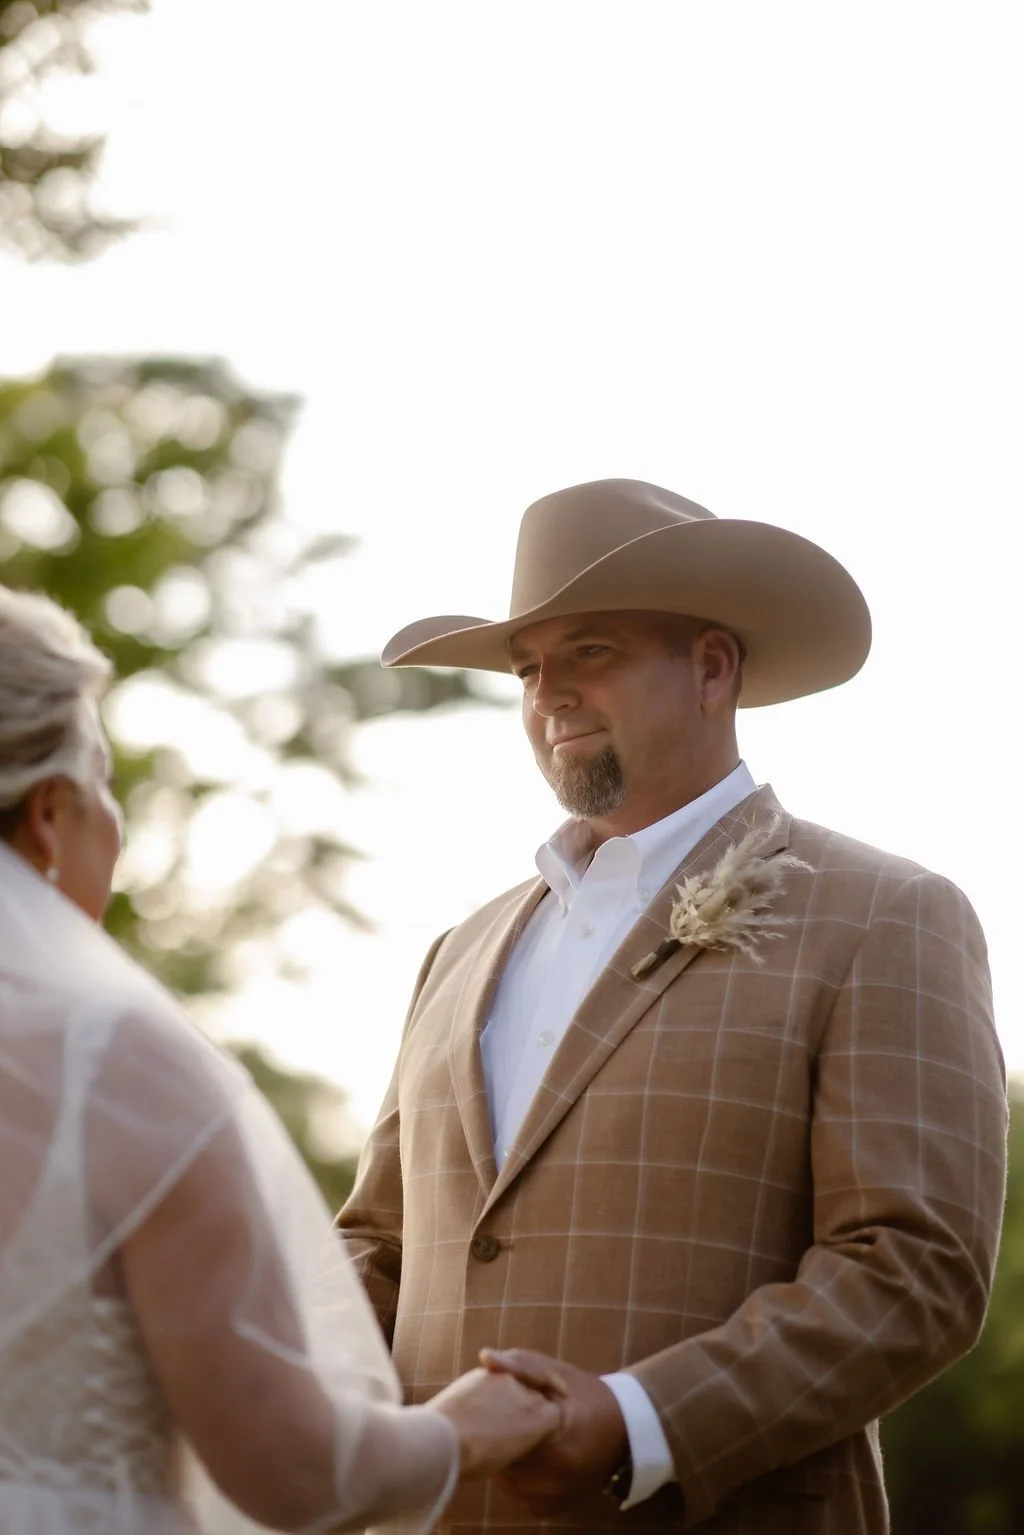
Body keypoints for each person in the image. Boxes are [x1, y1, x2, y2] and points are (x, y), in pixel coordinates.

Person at [337, 478, 1008, 1534]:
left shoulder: (886, 913)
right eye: (525, 667)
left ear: (711, 666)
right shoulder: (456, 951)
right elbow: (378, 1246)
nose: (546, 691)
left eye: (590, 650)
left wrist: (636, 1420)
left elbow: (914, 1271)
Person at [0, 584, 562, 1535]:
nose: (115, 820)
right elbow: (295, 1473)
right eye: (103, 781)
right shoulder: (118, 1066)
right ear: (50, 814)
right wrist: (464, 1428)